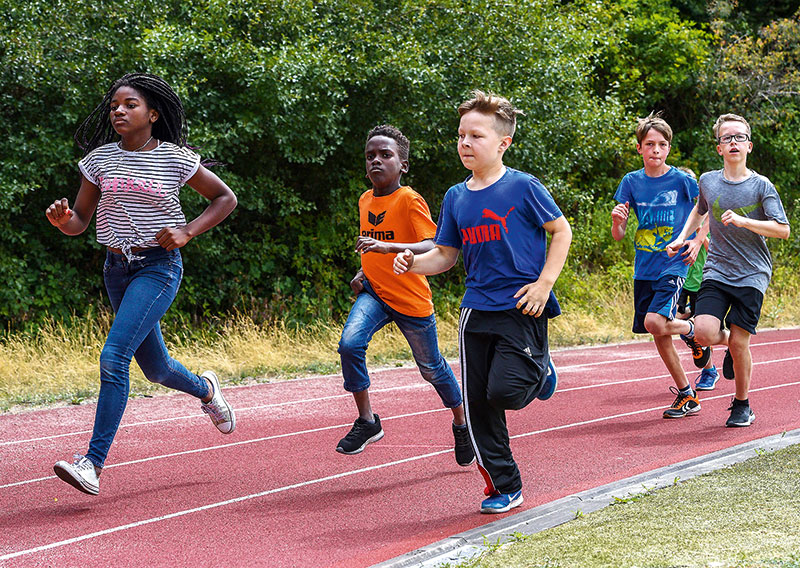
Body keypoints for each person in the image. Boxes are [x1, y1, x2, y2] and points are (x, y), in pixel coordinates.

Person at [45, 73, 238, 495]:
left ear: (152, 114)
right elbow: (80, 221)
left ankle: (91, 464)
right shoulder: (98, 160)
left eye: (130, 104)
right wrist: (64, 222)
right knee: (157, 369)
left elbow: (225, 199)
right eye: (114, 104)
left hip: (158, 267)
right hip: (116, 270)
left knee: (114, 357)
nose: (118, 110)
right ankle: (207, 390)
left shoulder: (175, 158)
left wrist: (188, 230)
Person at [394, 91, 572, 514]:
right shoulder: (456, 196)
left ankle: (539, 369)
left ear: (502, 143)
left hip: (521, 304)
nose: (465, 143)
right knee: (476, 405)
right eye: (460, 135)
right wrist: (413, 262)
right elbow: (446, 254)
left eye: (476, 135)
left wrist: (545, 283)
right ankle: (503, 485)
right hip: (476, 308)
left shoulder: (524, 186)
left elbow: (561, 231)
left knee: (506, 392)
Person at [336, 124, 474, 468]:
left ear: (403, 165)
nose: (376, 162)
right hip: (376, 293)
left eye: (386, 155)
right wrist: (363, 271)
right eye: (370, 156)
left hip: (411, 299)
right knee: (349, 345)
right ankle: (368, 421)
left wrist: (389, 246)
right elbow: (370, 243)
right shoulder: (365, 200)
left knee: (432, 369)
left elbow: (433, 244)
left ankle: (462, 423)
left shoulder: (410, 199)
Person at [667, 113, 790, 427]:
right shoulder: (707, 180)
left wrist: (745, 221)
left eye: (738, 137)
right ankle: (735, 346)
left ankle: (742, 404)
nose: (733, 142)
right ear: (719, 147)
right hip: (717, 269)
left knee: (738, 342)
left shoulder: (762, 186)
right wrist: (681, 238)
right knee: (706, 333)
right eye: (726, 138)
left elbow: (782, 229)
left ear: (748, 145)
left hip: (752, 272)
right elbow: (700, 210)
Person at [611, 112, 711, 420]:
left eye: (662, 144)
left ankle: (693, 330)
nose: (656, 149)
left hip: (674, 263)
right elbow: (618, 236)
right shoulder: (631, 182)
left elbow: (706, 212)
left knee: (656, 322)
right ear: (639, 148)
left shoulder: (682, 180)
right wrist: (618, 224)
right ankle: (687, 395)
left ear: (668, 148)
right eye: (650, 144)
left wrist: (695, 242)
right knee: (658, 333)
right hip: (644, 267)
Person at [674, 167, 719, 391]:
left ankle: (709, 370)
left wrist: (700, 236)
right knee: (674, 323)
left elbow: (715, 251)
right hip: (682, 280)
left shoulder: (705, 214)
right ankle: (696, 343)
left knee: (701, 330)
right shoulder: (679, 214)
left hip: (703, 282)